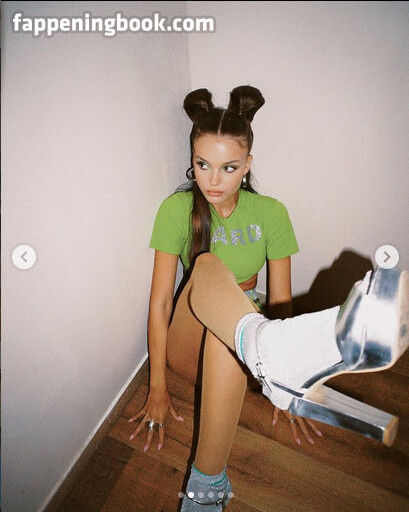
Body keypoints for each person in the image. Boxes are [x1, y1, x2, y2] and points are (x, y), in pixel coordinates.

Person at [128, 86, 409, 511]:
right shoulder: (176, 209)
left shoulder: (271, 213)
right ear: (192, 161)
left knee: (235, 326)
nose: (213, 180)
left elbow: (280, 302)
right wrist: (157, 387)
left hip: (241, 352)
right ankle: (270, 353)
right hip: (189, 340)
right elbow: (161, 304)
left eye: (228, 167)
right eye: (202, 165)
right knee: (208, 266)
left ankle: (205, 491)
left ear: (247, 165)